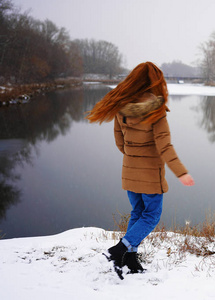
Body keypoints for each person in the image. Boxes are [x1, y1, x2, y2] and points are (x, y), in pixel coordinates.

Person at [86, 62, 194, 277]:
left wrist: (134, 156)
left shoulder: (121, 107)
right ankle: (120, 249)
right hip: (150, 174)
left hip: (129, 170)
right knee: (152, 215)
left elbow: (120, 143)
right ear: (155, 82)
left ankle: (131, 259)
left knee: (138, 212)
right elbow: (164, 145)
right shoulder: (157, 110)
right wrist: (181, 172)